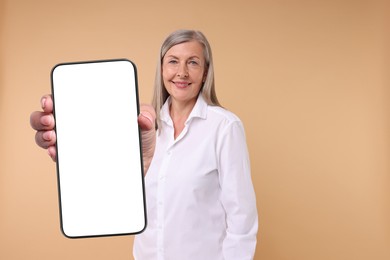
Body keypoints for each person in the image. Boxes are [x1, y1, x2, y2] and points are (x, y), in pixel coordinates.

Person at [30, 29, 258, 259]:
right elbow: (115, 196)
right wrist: (79, 155)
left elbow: (242, 219)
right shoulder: (142, 128)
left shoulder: (224, 127)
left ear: (205, 72)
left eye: (193, 62)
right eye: (173, 62)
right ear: (161, 68)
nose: (182, 72)